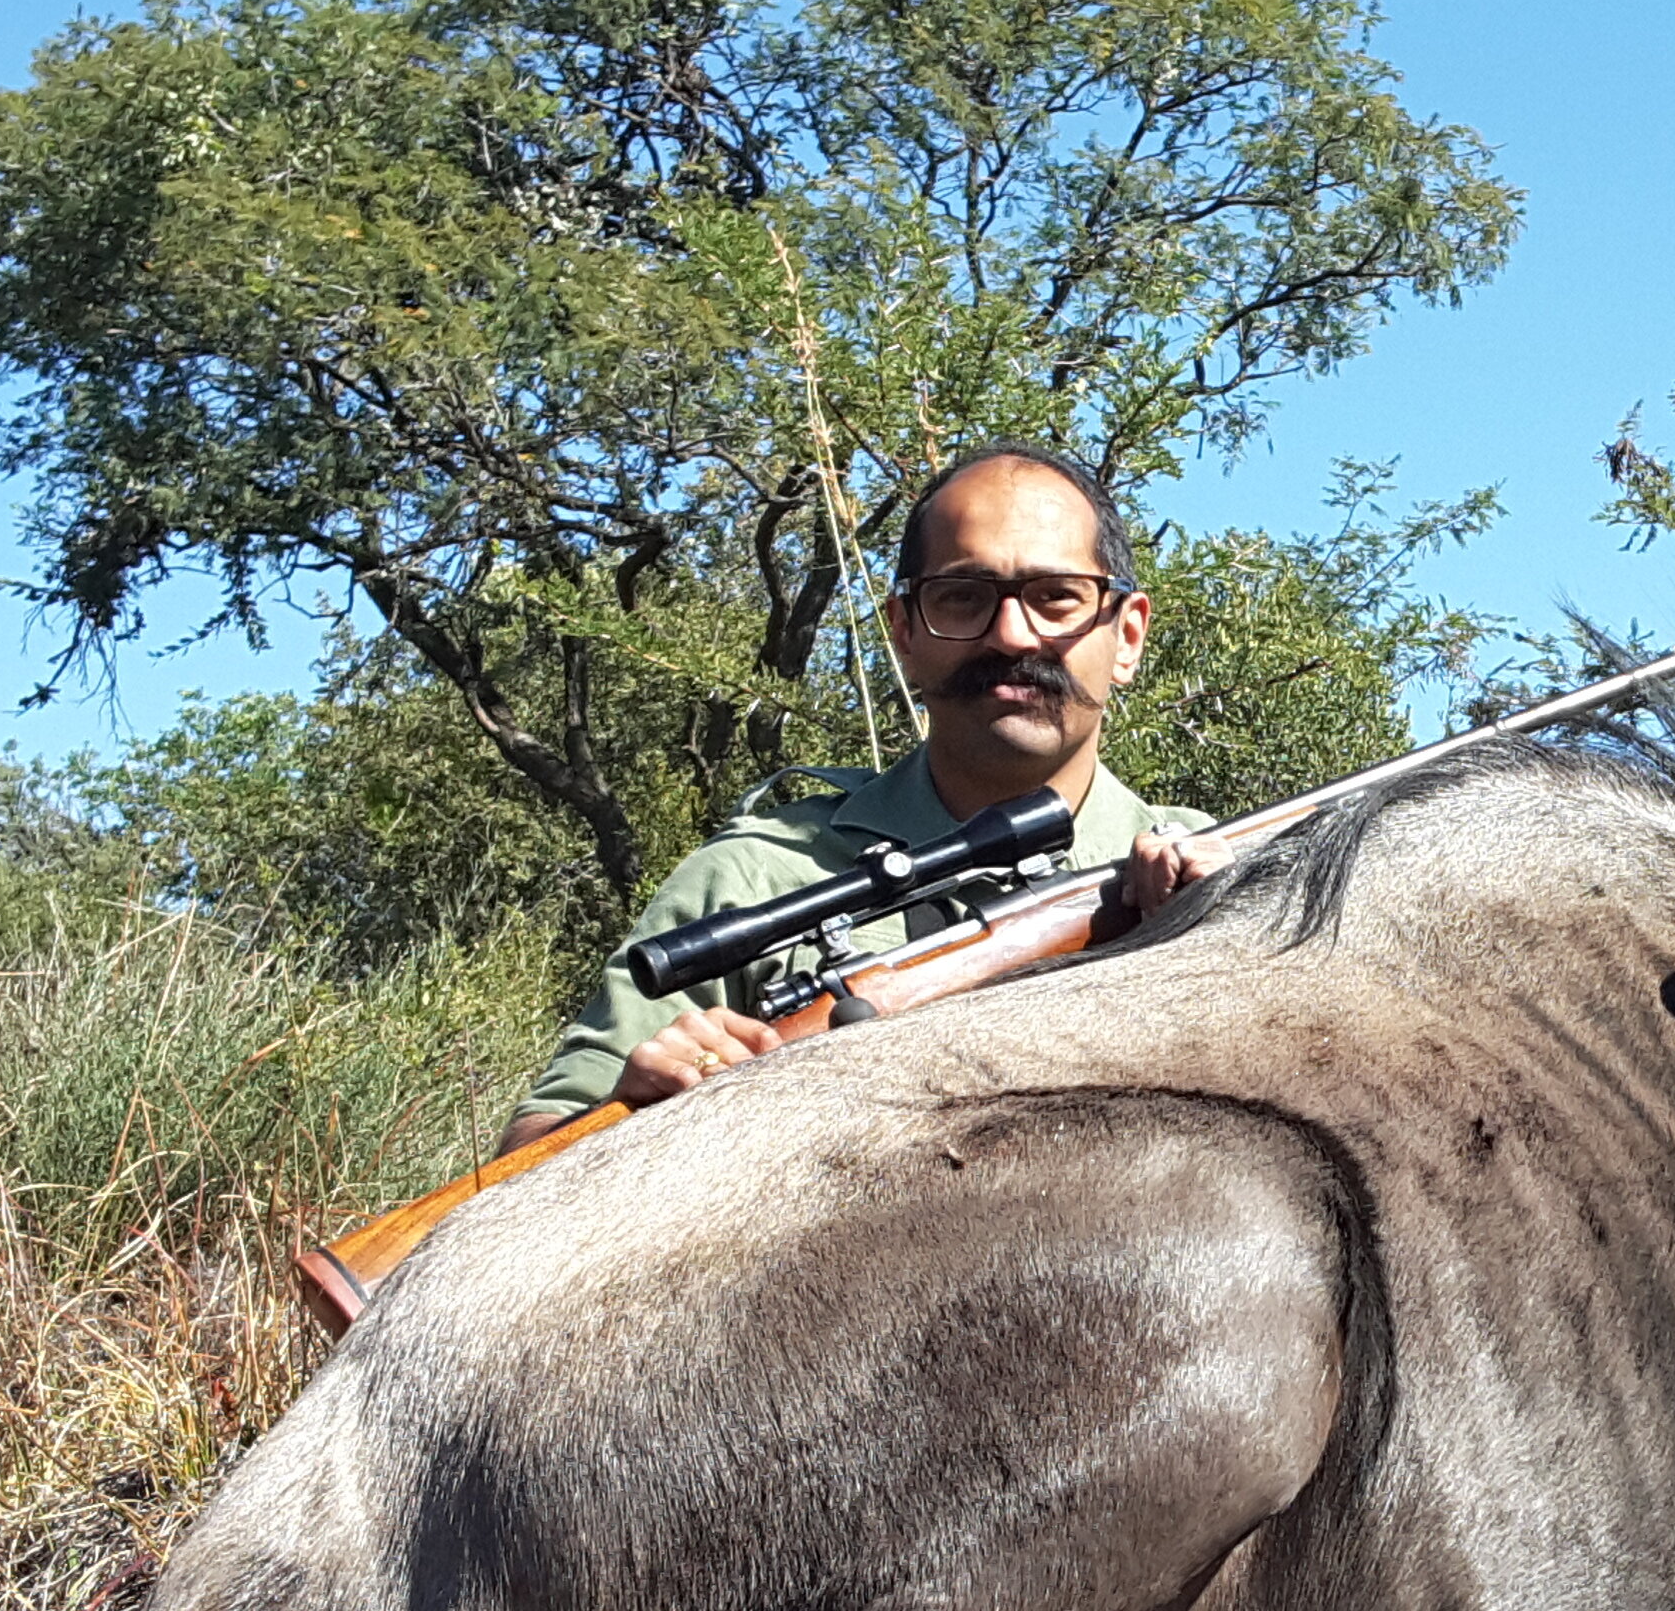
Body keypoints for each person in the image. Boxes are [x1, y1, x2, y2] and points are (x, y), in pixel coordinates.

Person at [503, 442, 1231, 1151]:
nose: (1012, 635)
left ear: (1127, 635)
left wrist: (1207, 947)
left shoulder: (1233, 879)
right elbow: (523, 1162)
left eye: (1056, 598)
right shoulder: (759, 875)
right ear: (905, 632)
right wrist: (639, 1107)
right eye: (962, 598)